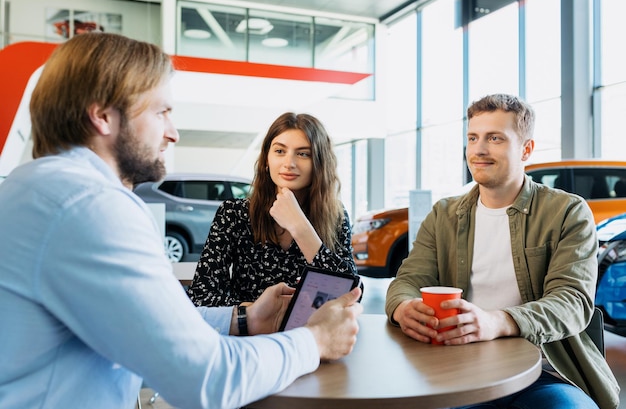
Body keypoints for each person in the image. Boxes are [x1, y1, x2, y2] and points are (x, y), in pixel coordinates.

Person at [0, 32, 363, 409]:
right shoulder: (90, 206)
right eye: (161, 112)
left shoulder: (38, 188)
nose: (172, 133)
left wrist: (247, 318)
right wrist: (315, 340)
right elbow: (207, 380)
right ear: (103, 116)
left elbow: (159, 325)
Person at [385, 94, 620, 409]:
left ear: (526, 149)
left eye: (495, 138)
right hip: (460, 371)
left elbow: (572, 302)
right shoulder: (445, 214)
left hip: (545, 373)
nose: (479, 149)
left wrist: (497, 321)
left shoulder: (567, 211)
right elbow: (409, 278)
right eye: (473, 138)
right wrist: (403, 306)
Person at [187, 112, 357, 307]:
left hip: (309, 334)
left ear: (319, 164)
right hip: (247, 334)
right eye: (279, 151)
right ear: (266, 160)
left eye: (303, 154)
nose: (289, 163)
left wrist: (300, 228)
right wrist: (262, 311)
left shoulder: (336, 216)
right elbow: (201, 296)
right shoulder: (233, 214)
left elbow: (351, 296)